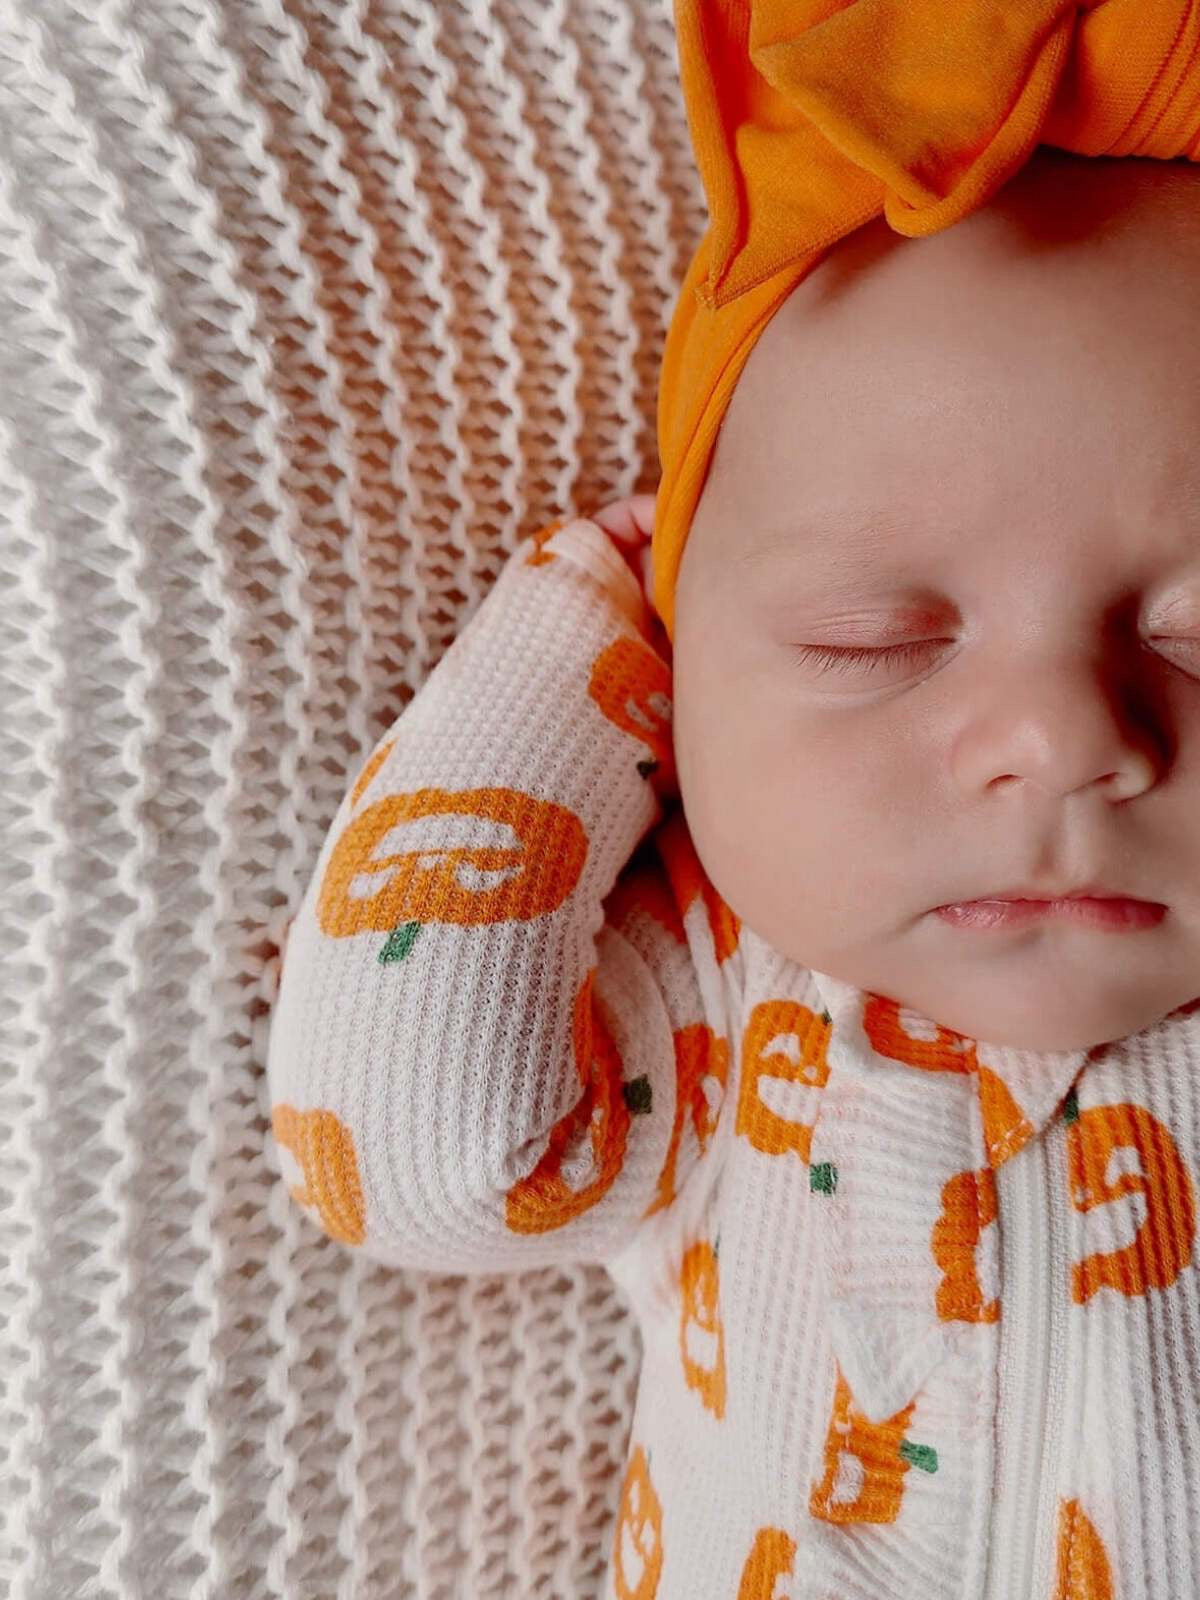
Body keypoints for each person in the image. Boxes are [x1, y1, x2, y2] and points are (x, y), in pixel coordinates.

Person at [265, 5, 1200, 1595]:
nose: (1057, 739)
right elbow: (414, 1160)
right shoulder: (725, 1009)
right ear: (682, 671)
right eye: (874, 641)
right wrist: (584, 628)